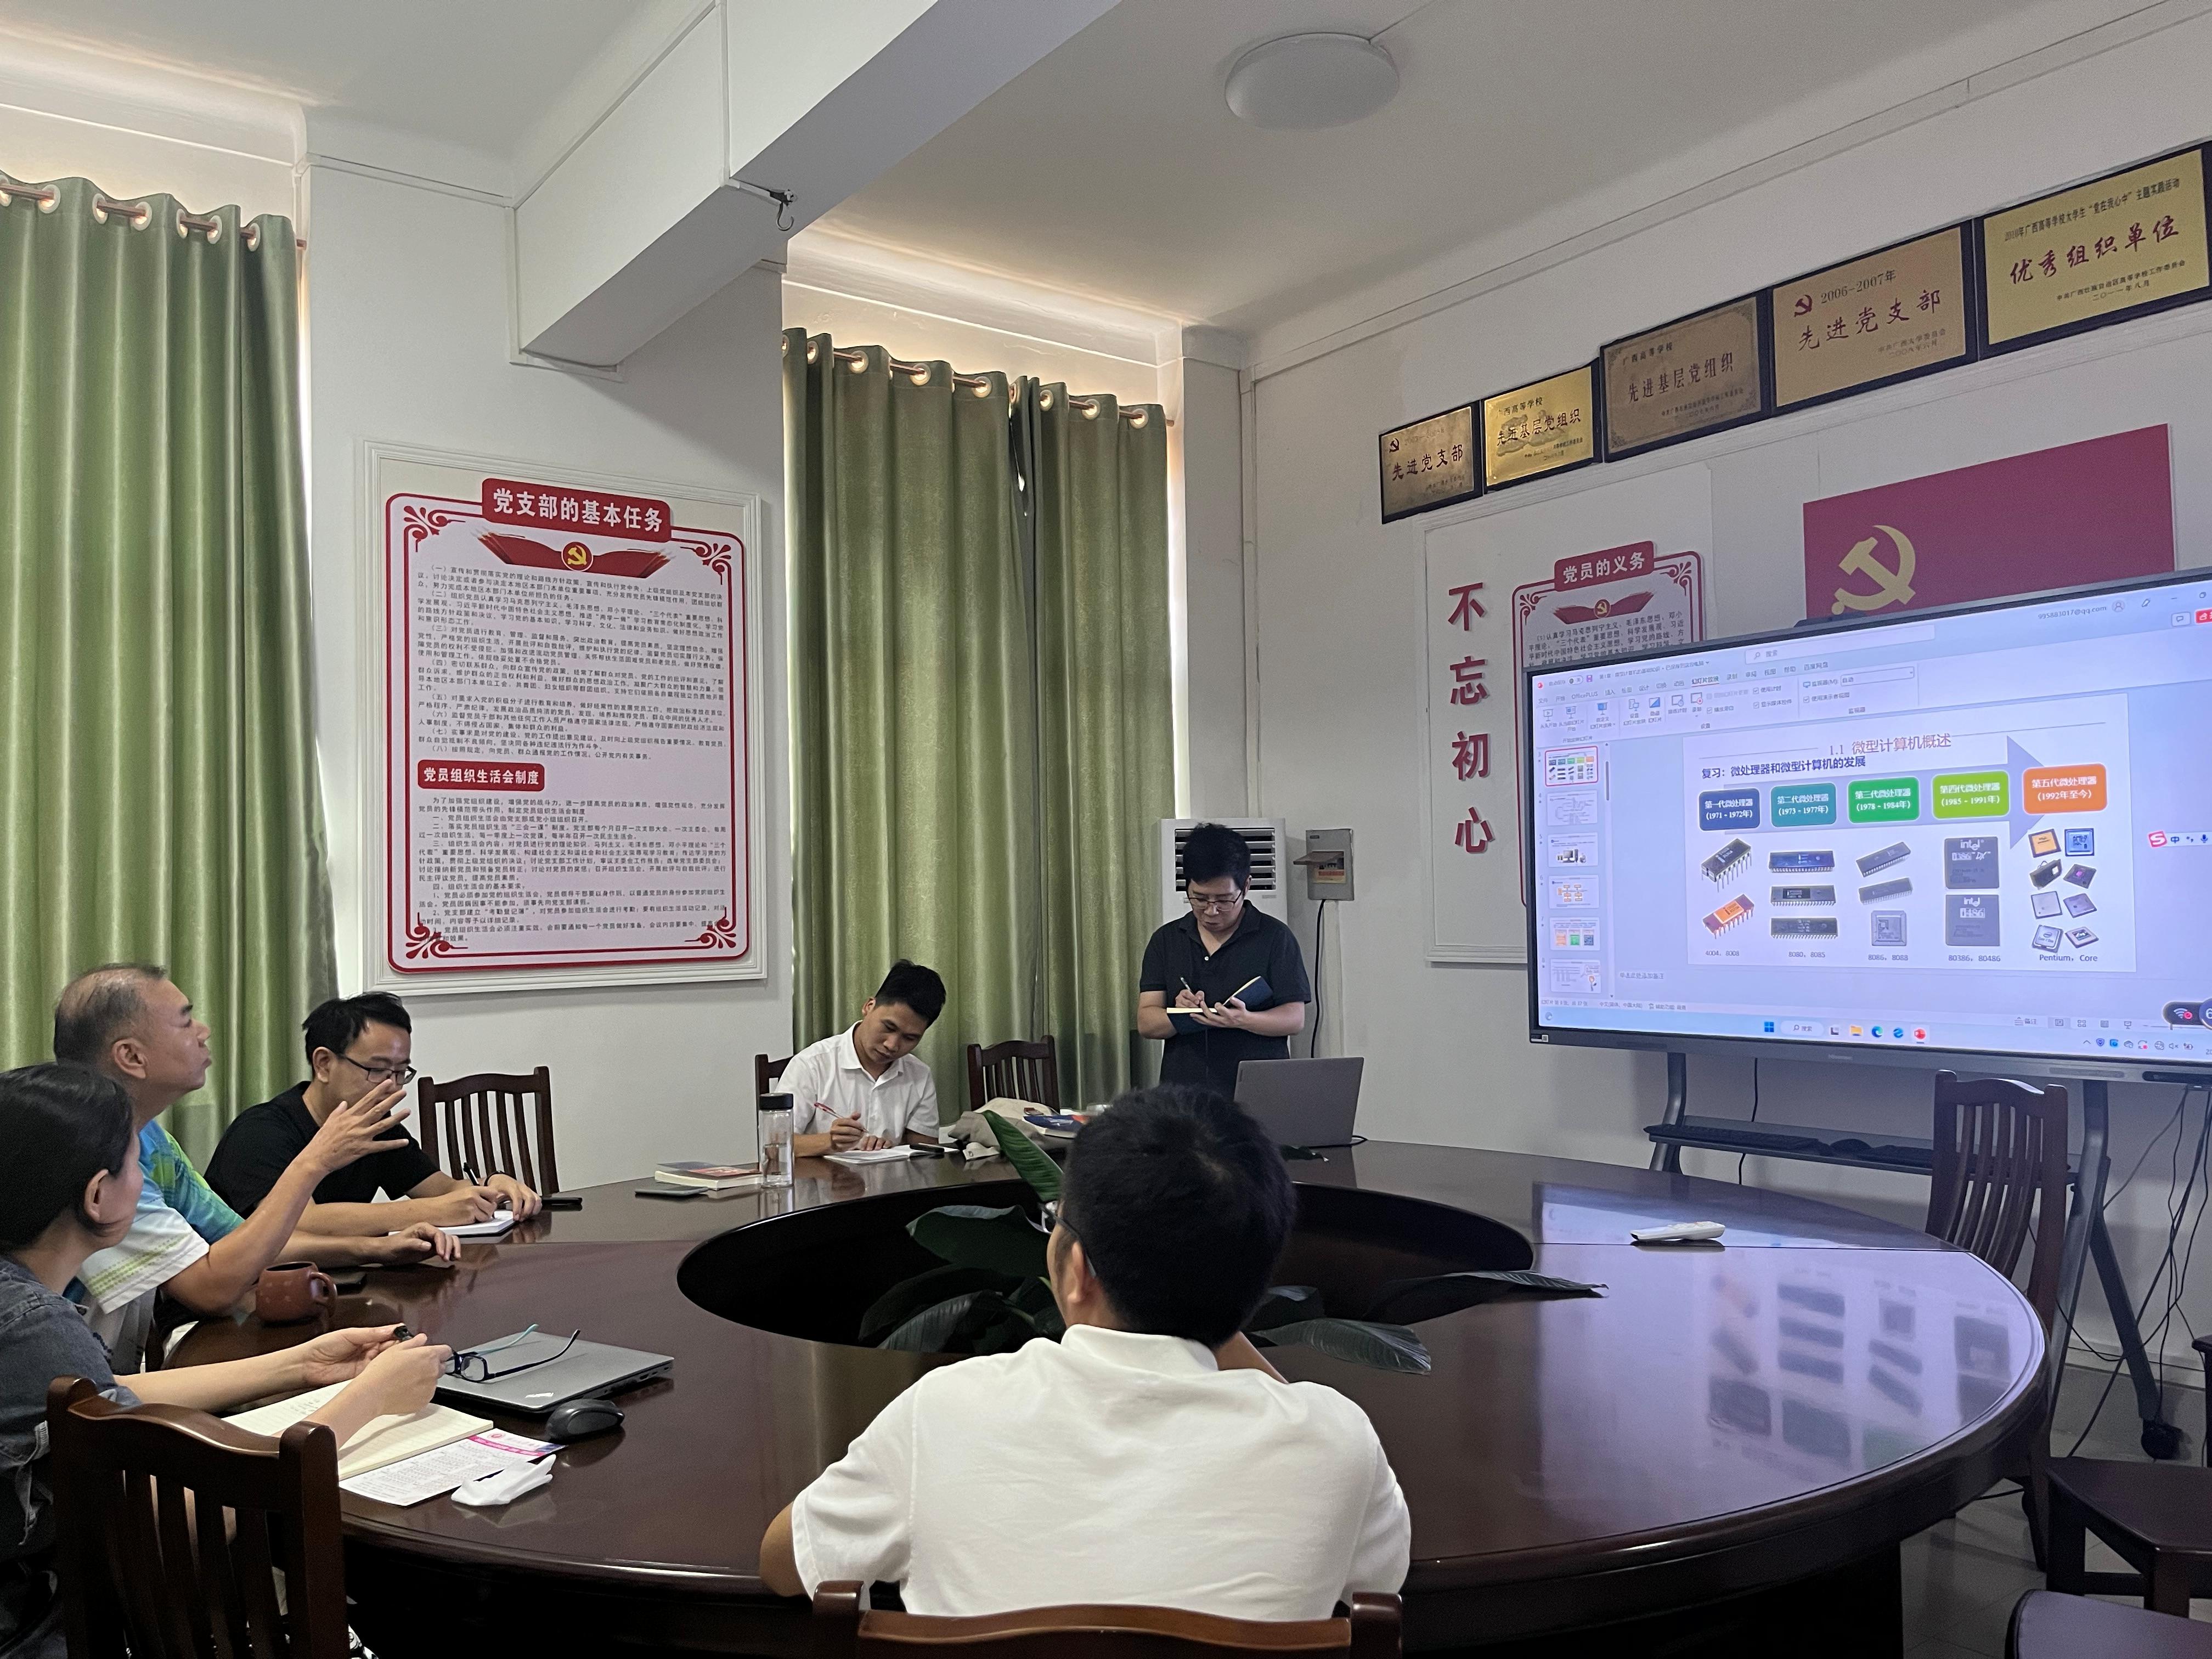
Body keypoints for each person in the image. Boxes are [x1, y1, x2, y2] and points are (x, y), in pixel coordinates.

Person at [758, 1084, 1409, 1617]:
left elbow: (783, 1564)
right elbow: (1380, 1582)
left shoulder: (944, 1414)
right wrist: (1213, 1302)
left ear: (1076, 1271)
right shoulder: (1335, 1442)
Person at [0, 1062, 451, 1659]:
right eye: (137, 1165)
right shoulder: (35, 1327)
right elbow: (177, 1522)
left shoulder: (24, 1312)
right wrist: (370, 1399)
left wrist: (300, 1365)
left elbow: (95, 1398)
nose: (147, 1181)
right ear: (98, 1195)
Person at [51, 964, 455, 1372]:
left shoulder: (150, 1137)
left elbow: (245, 1240)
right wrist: (315, 1162)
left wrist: (376, 1250)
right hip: (61, 1389)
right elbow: (212, 1290)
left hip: (109, 1377)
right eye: (186, 1021)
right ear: (132, 1056)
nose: (204, 1031)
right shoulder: (89, 1153)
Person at [208, 992, 540, 1230]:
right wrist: (430, 1212)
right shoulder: (260, 1132)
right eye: (378, 1070)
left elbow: (442, 1190)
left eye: (401, 1072)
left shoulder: (377, 1125)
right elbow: (295, 1221)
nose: (392, 1087)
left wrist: (493, 1185)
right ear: (323, 1064)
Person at [1137, 823, 1312, 1099]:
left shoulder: (1275, 937)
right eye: (1199, 899)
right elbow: (1147, 1022)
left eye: (1225, 900)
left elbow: (1294, 1019)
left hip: (1258, 1090)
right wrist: (1181, 1015)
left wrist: (1244, 1020)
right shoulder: (1166, 940)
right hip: (1184, 1095)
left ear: (1246, 886)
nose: (1211, 911)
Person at [783, 961, 946, 1157]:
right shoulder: (813, 1064)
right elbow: (775, 1145)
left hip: (889, 1177)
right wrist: (831, 1142)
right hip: (822, 1176)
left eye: (910, 1038)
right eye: (889, 1027)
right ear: (869, 1006)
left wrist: (889, 1147)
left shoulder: (919, 1074)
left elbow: (925, 1153)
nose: (892, 1045)